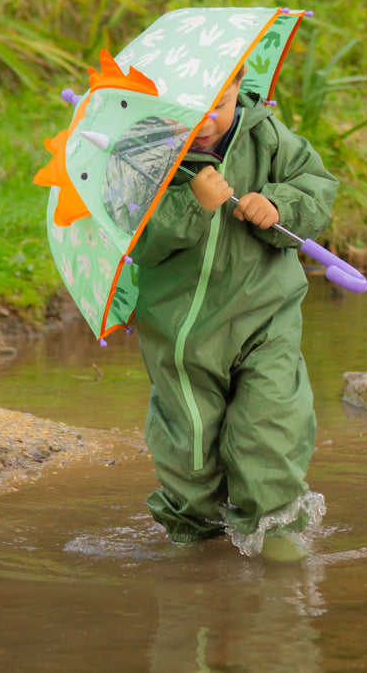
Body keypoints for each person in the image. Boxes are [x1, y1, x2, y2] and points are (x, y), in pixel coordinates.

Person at [131, 64, 339, 560]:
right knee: (190, 441)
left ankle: (275, 529)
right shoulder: (145, 153)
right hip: (181, 332)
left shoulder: (267, 136)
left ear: (236, 90)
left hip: (265, 314)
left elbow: (316, 190)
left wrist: (279, 206)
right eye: (189, 114)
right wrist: (189, 202)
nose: (204, 124)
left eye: (218, 107)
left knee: (271, 423)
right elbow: (137, 239)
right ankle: (194, 530)